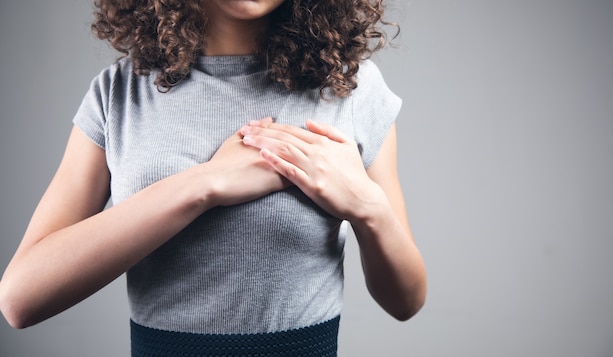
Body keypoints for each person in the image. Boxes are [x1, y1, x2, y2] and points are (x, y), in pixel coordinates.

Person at [0, 0, 427, 355]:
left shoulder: (349, 88)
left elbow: (406, 302)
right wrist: (205, 185)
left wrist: (369, 209)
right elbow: (20, 300)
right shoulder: (119, 94)